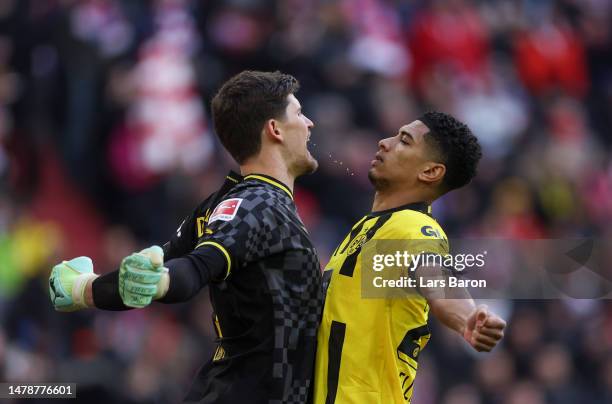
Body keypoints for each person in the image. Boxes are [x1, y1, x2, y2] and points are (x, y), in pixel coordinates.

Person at [48, 70, 324, 404]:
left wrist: (84, 289)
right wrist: (162, 282)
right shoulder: (259, 203)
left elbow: (159, 268)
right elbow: (196, 267)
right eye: (298, 113)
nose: (309, 123)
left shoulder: (224, 203)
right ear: (274, 129)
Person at [313, 112, 507, 404]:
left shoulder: (413, 228)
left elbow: (435, 275)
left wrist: (466, 317)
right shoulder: (369, 228)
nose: (384, 142)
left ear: (430, 172)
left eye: (404, 140)